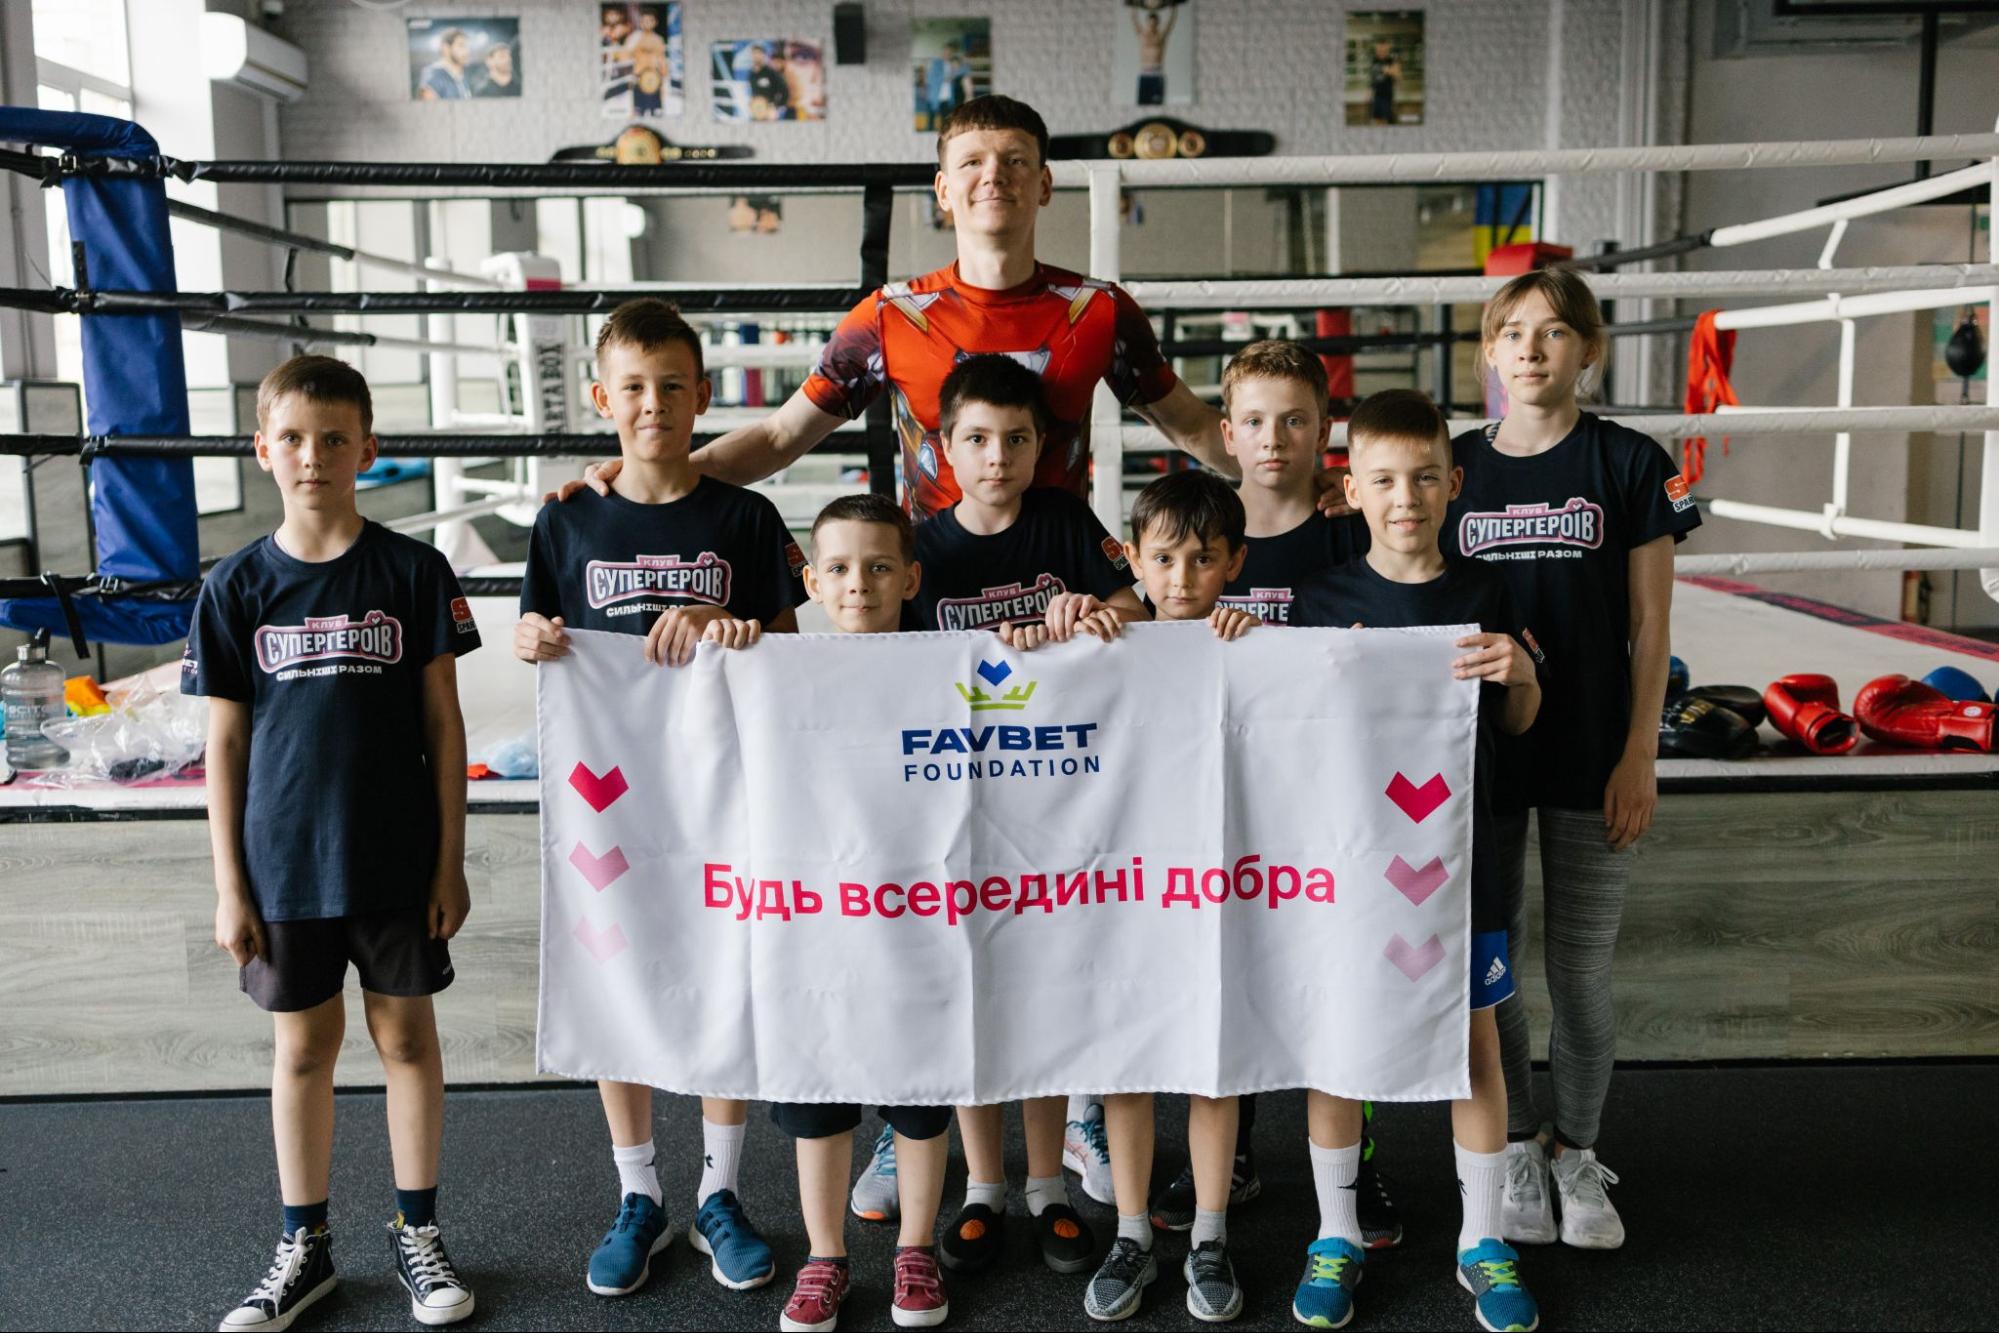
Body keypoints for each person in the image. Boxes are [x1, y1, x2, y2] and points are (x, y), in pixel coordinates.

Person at [561, 95, 1251, 524]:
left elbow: (1193, 426)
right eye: (972, 162)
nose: (994, 174)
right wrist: (648, 475)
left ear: (1043, 185)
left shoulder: (1099, 310)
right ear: (943, 190)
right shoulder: (890, 316)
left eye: (1015, 160)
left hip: (1061, 585)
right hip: (934, 580)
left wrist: (1300, 482)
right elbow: (777, 438)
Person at [513, 300, 804, 1300]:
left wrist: (727, 622)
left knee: (726, 968)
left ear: (703, 396)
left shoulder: (745, 519)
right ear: (602, 399)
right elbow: (538, 636)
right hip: (609, 798)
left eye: (672, 386)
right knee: (617, 970)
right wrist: (532, 641)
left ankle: (720, 1190)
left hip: (720, 784)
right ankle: (638, 1190)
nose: (653, 404)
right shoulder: (566, 519)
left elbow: (786, 651)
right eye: (632, 387)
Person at [189, 355, 479, 1331]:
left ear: (368, 449)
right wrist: (230, 885)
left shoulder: (412, 571)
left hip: (395, 857)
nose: (313, 455)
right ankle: (303, 1245)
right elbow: (225, 744)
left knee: (406, 1040)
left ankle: (417, 1232)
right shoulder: (235, 585)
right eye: (294, 438)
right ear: (262, 449)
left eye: (334, 438)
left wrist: (449, 859)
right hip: (283, 866)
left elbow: (444, 726)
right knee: (304, 1048)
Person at [1447, 267, 1699, 1253]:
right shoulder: (1453, 466)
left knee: (1582, 975)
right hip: (1482, 755)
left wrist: (1640, 753)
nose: (1531, 348)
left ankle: (1577, 1150)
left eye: (1553, 331)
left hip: (1594, 752)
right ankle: (1515, 1142)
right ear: (1489, 350)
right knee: (1496, 969)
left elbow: (1651, 626)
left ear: (1587, 349)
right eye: (1512, 331)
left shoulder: (1629, 462)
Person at [1286, 389, 1545, 1333]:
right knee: (1340, 1041)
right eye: (1386, 479)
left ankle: (1484, 1239)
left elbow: (1519, 722)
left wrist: (1521, 672)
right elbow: (1286, 744)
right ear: (1350, 488)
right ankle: (1336, 1232)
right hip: (1354, 865)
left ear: (1454, 483)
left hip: (1455, 862)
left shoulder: (1485, 595)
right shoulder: (1319, 602)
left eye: (1425, 477)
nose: (1407, 498)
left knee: (1473, 1045)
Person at [1141, 341, 1407, 1249]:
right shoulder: (1202, 533)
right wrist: (1093, 615)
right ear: (1226, 432)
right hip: (1219, 802)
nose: (1274, 438)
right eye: (1254, 420)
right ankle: (1229, 1153)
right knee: (1226, 975)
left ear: (1325, 431)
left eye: (1295, 420)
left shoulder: (1352, 530)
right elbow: (1143, 612)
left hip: (1331, 802)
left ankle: (1357, 1163)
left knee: (1340, 982)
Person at [703, 493, 957, 1333]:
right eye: (840, 568)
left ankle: (915, 1248)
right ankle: (825, 1255)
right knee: (817, 1090)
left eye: (879, 567)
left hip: (919, 916)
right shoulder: (774, 667)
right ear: (810, 581)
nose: (859, 583)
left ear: (910, 578)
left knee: (921, 1091)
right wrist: (724, 642)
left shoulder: (949, 666)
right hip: (813, 921)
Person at [1080, 470, 1256, 1325]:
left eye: (1202, 558)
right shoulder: (1106, 640)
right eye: (1163, 559)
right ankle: (1129, 1232)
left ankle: (1210, 1233)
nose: (1181, 578)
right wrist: (1057, 627)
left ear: (1234, 562)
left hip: (1217, 887)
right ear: (1133, 559)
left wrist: (1262, 645)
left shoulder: (1249, 643)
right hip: (1126, 890)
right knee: (1127, 1062)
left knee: (1211, 1062)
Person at [907, 355, 1145, 643]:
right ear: (947, 447)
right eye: (977, 439)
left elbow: (1141, 619)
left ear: (1038, 446)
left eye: (1016, 439)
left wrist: (1097, 616)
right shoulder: (917, 549)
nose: (998, 458)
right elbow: (891, 651)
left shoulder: (1066, 519)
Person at [1131, 6, 1179, 105]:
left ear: (1157, 24)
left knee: (1157, 106)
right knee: (1141, 106)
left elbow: (1170, 23)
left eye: (1154, 24)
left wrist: (1174, 8)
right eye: (1150, 24)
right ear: (1147, 23)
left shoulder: (1161, 36)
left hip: (1157, 76)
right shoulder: (1142, 35)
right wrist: (1134, 5)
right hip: (1144, 76)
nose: (1152, 26)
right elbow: (1134, 19)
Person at [416, 28, 472, 101]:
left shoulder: (461, 77)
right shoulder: (433, 75)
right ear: (446, 48)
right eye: (461, 46)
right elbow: (427, 107)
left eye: (467, 46)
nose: (466, 51)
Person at [747, 44, 790, 122]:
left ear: (763, 55)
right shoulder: (751, 74)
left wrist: (776, 106)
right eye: (754, 53)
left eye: (759, 53)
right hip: (756, 112)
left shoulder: (771, 73)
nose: (756, 56)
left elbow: (785, 90)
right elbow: (753, 93)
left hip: (769, 113)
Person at [1367, 38, 1401, 125]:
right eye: (1379, 50)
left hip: (1387, 95)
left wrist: (1388, 70)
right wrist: (1369, 90)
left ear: (1387, 49)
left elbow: (1398, 76)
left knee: (1386, 120)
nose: (1381, 52)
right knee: (1377, 120)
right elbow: (1373, 77)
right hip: (1376, 95)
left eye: (1383, 50)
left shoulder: (1391, 60)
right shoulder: (1374, 60)